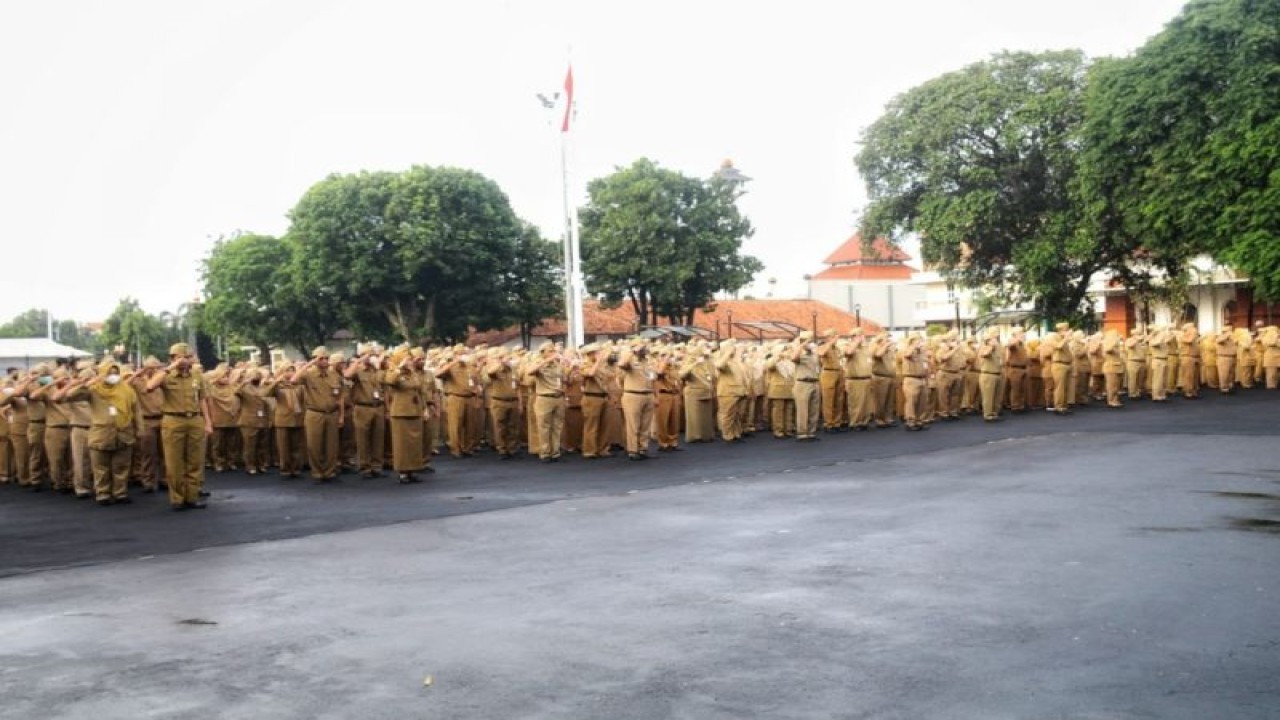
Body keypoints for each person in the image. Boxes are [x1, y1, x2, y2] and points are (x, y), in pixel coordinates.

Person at [146, 342, 213, 511]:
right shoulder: (165, 375)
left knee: (195, 461)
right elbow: (150, 387)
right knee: (174, 462)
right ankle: (177, 498)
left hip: (194, 420)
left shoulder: (197, 375)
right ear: (173, 358)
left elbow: (203, 399)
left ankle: (192, 497)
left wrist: (208, 422)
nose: (185, 360)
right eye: (181, 357)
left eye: (188, 357)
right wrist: (170, 368)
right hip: (173, 420)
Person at [84, 360, 144, 506]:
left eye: (116, 373)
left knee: (121, 466)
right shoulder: (94, 390)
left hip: (123, 433)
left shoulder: (127, 390)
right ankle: (103, 494)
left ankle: (120, 493)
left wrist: (140, 429)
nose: (113, 376)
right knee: (100, 467)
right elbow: (70, 395)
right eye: (109, 373)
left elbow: (136, 410)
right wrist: (88, 382)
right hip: (101, 434)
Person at [291, 346, 344, 482]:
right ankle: (317, 472)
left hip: (332, 413)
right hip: (315, 413)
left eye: (326, 358)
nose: (325, 361)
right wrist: (309, 364)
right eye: (321, 359)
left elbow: (340, 397)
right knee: (314, 445)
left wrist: (341, 415)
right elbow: (293, 380)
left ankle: (330, 471)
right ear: (315, 359)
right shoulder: (308, 374)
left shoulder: (334, 375)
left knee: (332, 445)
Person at [384, 346, 431, 482]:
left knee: (414, 444)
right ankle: (403, 472)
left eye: (410, 358)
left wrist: (424, 408)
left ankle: (412, 470)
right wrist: (399, 367)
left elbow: (419, 390)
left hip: (415, 411)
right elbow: (390, 381)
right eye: (408, 358)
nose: (410, 361)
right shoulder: (394, 371)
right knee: (402, 444)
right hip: (401, 413)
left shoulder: (412, 374)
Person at [344, 344, 387, 477]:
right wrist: (360, 360)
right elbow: (347, 375)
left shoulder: (378, 371)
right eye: (369, 354)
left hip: (378, 406)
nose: (372, 357)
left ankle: (376, 466)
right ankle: (365, 466)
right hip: (363, 407)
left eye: (373, 354)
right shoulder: (358, 370)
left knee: (378, 438)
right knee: (363, 439)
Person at [527, 341, 567, 462]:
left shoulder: (558, 365)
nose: (553, 353)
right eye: (550, 351)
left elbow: (564, 379)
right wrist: (545, 361)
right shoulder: (539, 363)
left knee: (557, 426)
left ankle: (555, 451)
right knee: (544, 427)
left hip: (558, 397)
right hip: (544, 397)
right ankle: (545, 452)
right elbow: (530, 371)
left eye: (553, 351)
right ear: (543, 353)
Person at [616, 340, 656, 460]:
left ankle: (643, 448)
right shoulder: (630, 360)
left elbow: (654, 375)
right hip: (633, 394)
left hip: (648, 394)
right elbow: (621, 364)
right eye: (641, 347)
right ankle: (633, 450)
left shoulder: (648, 361)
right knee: (633, 425)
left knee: (645, 425)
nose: (643, 349)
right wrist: (632, 352)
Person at [483, 347, 522, 459]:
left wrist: (519, 403)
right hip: (499, 401)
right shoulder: (495, 369)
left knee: (513, 426)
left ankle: (512, 448)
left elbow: (518, 387)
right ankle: (502, 449)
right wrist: (500, 363)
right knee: (500, 427)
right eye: (505, 356)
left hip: (513, 401)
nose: (508, 359)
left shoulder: (513, 370)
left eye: (508, 356)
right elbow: (490, 373)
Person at [678, 341, 716, 443]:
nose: (706, 349)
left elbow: (714, 375)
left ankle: (706, 435)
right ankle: (694, 436)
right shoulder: (690, 360)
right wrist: (695, 363)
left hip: (706, 391)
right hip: (693, 392)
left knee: (706, 416)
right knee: (694, 416)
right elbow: (682, 374)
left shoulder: (707, 361)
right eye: (704, 347)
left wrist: (710, 358)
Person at [790, 331, 821, 441]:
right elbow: (793, 358)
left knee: (814, 409)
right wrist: (801, 345)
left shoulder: (814, 353)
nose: (810, 343)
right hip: (803, 383)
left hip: (815, 382)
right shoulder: (798, 352)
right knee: (802, 410)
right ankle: (802, 433)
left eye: (811, 341)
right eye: (808, 341)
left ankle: (811, 432)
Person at [1215, 323, 1237, 393]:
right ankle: (1224, 388)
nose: (1231, 330)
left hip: (1232, 356)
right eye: (1229, 329)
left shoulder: (1232, 337)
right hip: (1224, 357)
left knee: (1231, 374)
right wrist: (1227, 335)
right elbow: (1219, 341)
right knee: (1224, 374)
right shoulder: (1221, 336)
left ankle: (1229, 386)